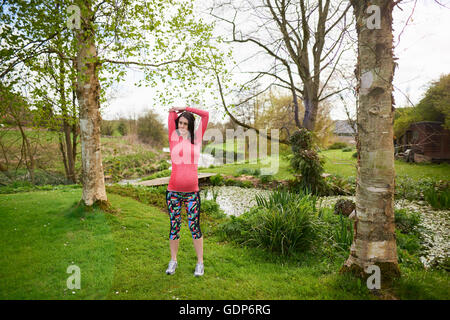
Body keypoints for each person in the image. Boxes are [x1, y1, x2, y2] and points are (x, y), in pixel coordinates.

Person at [165, 106, 209, 277]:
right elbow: (171, 115)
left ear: (190, 126)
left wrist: (185, 108)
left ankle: (200, 263)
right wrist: (176, 113)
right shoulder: (173, 138)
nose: (182, 126)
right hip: (173, 192)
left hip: (192, 193)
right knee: (174, 227)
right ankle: (173, 260)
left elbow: (205, 115)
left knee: (194, 227)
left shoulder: (197, 138)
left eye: (185, 124)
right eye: (180, 123)